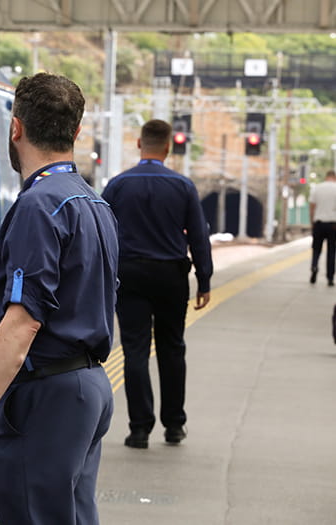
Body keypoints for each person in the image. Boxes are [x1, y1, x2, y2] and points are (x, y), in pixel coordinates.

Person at [0, 73, 118, 524]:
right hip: (87, 388)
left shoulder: (40, 206)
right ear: (76, 133)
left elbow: (23, 321)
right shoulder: (95, 204)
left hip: (45, 398)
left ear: (15, 129)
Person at [100, 119, 212, 449]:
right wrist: (204, 280)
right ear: (167, 147)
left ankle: (138, 429)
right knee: (172, 348)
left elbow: (102, 232)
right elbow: (200, 236)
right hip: (170, 277)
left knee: (135, 350)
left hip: (130, 275)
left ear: (139, 144)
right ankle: (174, 426)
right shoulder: (183, 186)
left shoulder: (118, 185)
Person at [309, 170, 336, 286]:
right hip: (333, 224)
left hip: (319, 223)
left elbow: (312, 207)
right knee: (331, 252)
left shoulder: (317, 188)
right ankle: (330, 278)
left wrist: (312, 222)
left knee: (316, 249)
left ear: (326, 177)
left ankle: (314, 266)